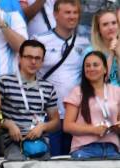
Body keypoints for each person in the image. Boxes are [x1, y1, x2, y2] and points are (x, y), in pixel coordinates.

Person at [32, 0, 90, 155]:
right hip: (49, 115)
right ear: (55, 15)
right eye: (67, 12)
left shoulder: (86, 42)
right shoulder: (39, 40)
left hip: (75, 115)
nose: (72, 17)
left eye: (75, 13)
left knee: (73, 159)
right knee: (51, 160)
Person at [0, 40, 60, 160]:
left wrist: (43, 127)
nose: (33, 62)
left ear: (42, 61)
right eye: (28, 57)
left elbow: (56, 122)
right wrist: (8, 124)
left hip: (39, 144)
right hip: (12, 143)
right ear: (20, 58)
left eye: (37, 58)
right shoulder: (3, 82)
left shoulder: (48, 87)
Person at [63, 51, 120, 159]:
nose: (91, 68)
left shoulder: (117, 91)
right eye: (87, 66)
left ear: (105, 69)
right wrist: (93, 130)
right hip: (84, 149)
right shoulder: (77, 91)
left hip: (112, 148)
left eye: (95, 65)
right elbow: (67, 126)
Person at [85, 6, 120, 86]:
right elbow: (100, 81)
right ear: (98, 29)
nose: (111, 27)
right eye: (105, 24)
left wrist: (118, 53)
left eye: (114, 23)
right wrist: (111, 53)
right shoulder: (90, 52)